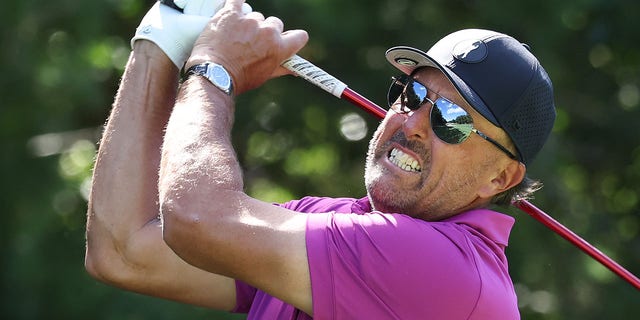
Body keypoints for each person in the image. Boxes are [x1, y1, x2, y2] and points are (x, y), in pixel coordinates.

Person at [84, 0, 556, 319]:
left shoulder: (450, 272)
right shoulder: (325, 223)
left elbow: (195, 217)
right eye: (413, 94)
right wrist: (162, 37)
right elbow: (125, 251)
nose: (412, 123)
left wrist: (214, 69)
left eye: (453, 120)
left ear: (501, 177)